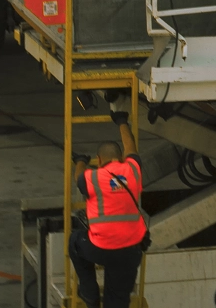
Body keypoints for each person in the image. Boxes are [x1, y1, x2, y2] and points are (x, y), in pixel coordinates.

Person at [69, 118, 148, 308]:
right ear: (121, 158)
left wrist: (80, 161)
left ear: (100, 159)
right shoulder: (133, 170)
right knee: (118, 301)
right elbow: (131, 147)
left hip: (101, 248)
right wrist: (122, 122)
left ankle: (89, 294)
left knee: (74, 241)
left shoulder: (94, 177)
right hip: (130, 250)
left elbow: (79, 176)